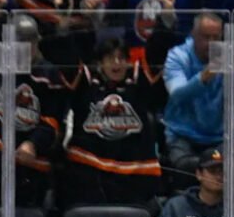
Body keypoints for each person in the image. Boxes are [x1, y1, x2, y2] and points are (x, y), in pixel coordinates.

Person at [0, 11, 63, 208]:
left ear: (37, 42)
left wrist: (33, 144)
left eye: (30, 42)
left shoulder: (49, 73)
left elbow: (52, 120)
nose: (25, 48)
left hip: (24, 165)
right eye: (19, 43)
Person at [63, 34, 174, 207]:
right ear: (100, 63)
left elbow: (156, 53)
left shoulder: (138, 83)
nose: (116, 63)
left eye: (121, 58)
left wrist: (164, 28)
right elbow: (67, 56)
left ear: (128, 62)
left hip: (133, 171)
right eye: (110, 58)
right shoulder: (87, 85)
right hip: (91, 170)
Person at [163, 11, 234, 171]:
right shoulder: (177, 56)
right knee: (186, 169)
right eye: (206, 37)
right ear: (193, 35)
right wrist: (205, 76)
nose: (211, 43)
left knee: (224, 172)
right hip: (183, 135)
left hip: (223, 137)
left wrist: (231, 74)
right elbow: (177, 96)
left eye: (215, 37)